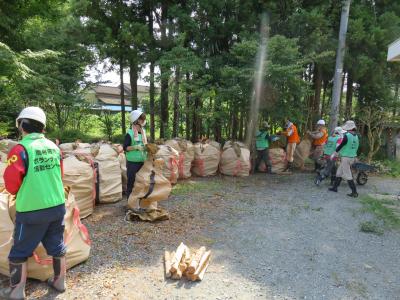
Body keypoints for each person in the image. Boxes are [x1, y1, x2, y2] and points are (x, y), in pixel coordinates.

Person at [1, 107, 67, 299]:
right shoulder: (54, 148)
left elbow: (12, 184)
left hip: (31, 211)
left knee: (19, 252)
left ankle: (17, 291)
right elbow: (59, 176)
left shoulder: (20, 149)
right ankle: (59, 281)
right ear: (42, 127)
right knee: (57, 246)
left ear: (21, 125)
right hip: (57, 206)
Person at [329, 120, 359, 197]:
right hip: (351, 157)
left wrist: (334, 154)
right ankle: (335, 188)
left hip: (346, 158)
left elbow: (341, 146)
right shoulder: (356, 136)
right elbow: (356, 147)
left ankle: (354, 192)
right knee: (339, 173)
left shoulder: (347, 135)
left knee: (348, 175)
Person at [123, 110, 148, 199]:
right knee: (132, 182)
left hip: (142, 162)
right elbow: (125, 148)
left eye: (143, 119)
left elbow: (145, 145)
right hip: (132, 163)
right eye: (141, 119)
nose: (143, 121)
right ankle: (130, 203)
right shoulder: (129, 134)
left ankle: (140, 201)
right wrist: (135, 147)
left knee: (142, 182)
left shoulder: (143, 132)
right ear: (136, 120)